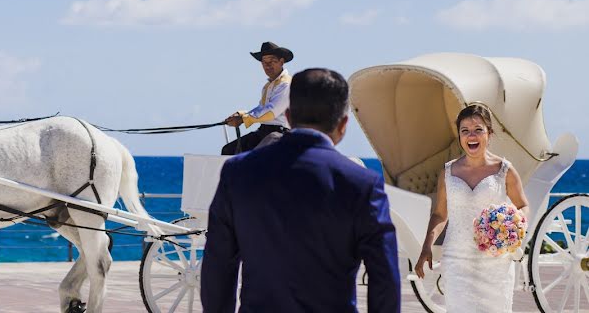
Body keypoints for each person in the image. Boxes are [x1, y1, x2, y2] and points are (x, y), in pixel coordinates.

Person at [202, 68, 401, 312]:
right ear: (343, 124)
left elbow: (218, 266)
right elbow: (385, 277)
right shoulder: (363, 184)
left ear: (288, 116)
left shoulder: (237, 173)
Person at [415, 103, 530, 313]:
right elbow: (440, 214)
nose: (471, 136)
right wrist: (426, 248)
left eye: (478, 130)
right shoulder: (448, 172)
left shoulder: (504, 170)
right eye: (465, 131)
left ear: (489, 134)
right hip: (457, 261)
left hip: (496, 264)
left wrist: (512, 226)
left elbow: (522, 205)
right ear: (459, 136)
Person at [221, 41, 293, 155]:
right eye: (264, 62)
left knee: (255, 158)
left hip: (279, 134)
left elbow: (271, 112)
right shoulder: (268, 86)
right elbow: (261, 108)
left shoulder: (286, 84)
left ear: (281, 61)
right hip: (263, 132)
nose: (268, 65)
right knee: (228, 150)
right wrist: (242, 114)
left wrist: (243, 119)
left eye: (272, 61)